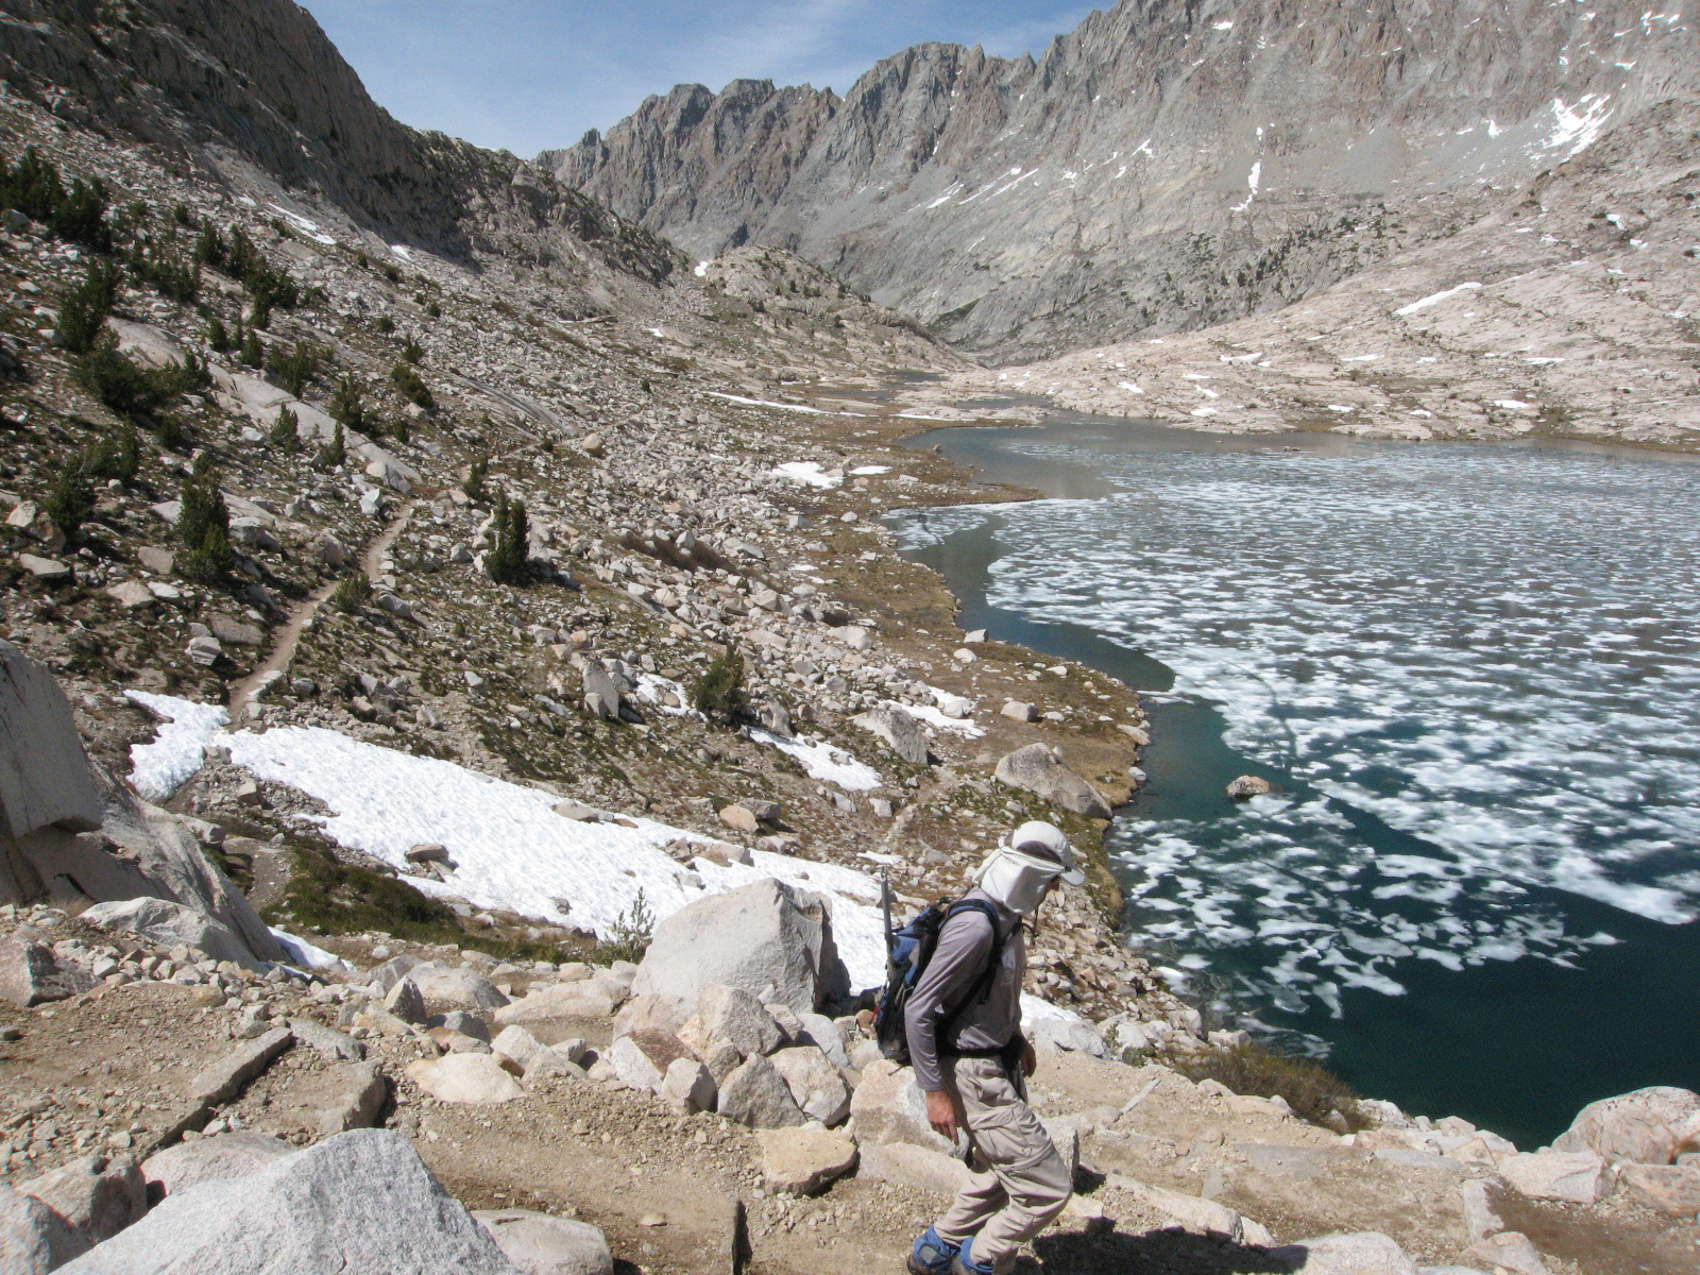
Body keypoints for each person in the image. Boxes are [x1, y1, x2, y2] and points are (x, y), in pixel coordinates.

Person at [905, 821, 1082, 1275]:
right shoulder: (976, 928)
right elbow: (918, 1009)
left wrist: (1015, 1038)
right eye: (1052, 880)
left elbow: (993, 992)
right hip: (973, 1075)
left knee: (998, 1172)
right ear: (1031, 877)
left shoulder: (1005, 918)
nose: (1054, 890)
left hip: (993, 1062)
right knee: (1047, 1188)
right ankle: (979, 1262)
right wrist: (935, 1093)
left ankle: (935, 1251)